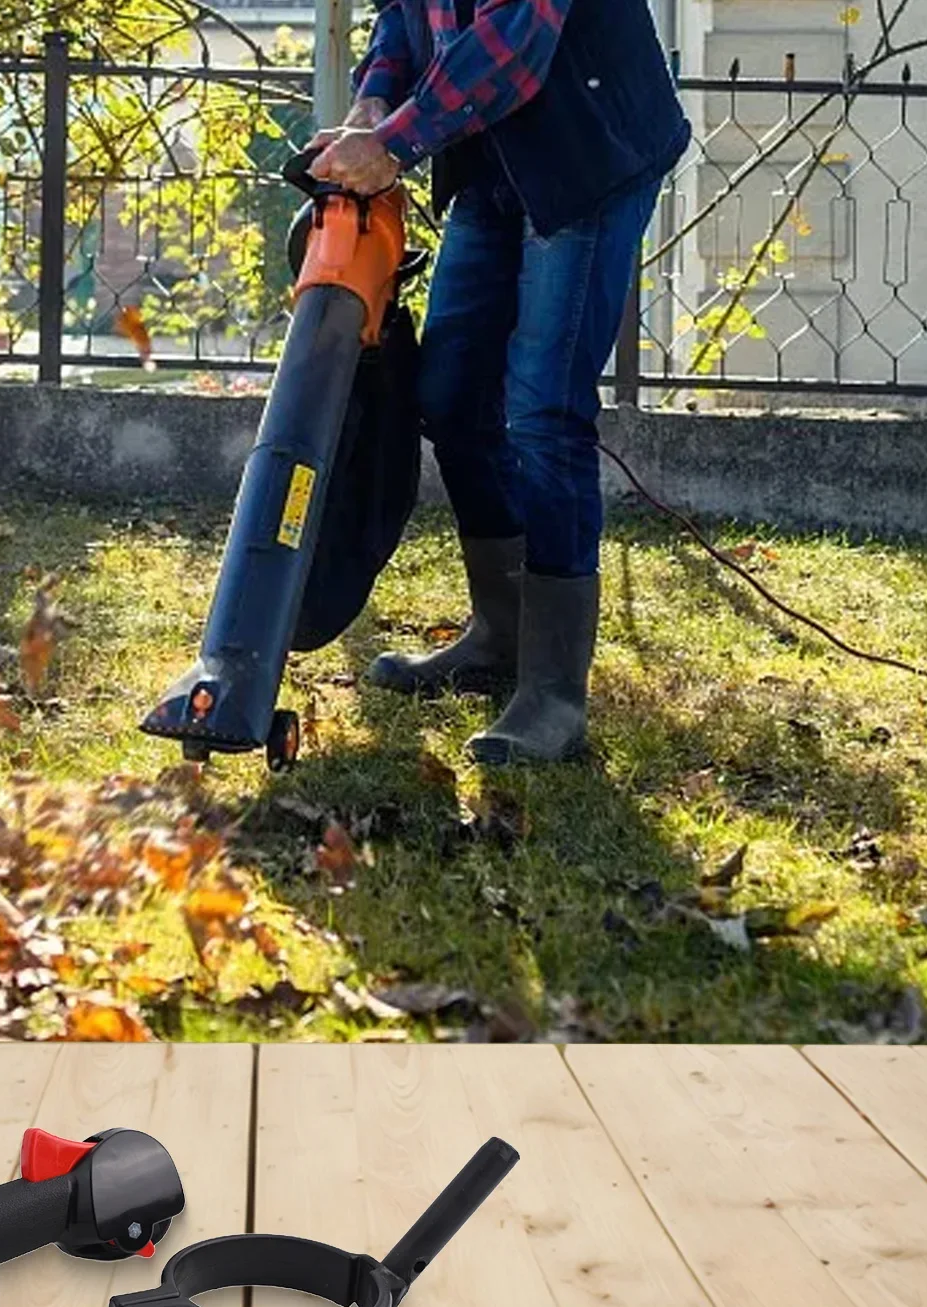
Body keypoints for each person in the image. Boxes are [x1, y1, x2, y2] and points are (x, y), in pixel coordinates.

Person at [309, 0, 689, 764]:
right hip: (489, 153)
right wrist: (376, 94)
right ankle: (501, 634)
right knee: (449, 395)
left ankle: (553, 693)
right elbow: (401, 15)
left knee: (544, 414)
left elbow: (515, 41)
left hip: (588, 152)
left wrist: (393, 143)